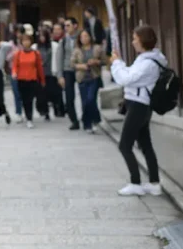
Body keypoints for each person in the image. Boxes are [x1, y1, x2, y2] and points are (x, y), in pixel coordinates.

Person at [111, 25, 166, 196]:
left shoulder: (148, 63)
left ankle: (135, 182)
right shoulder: (147, 59)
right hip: (140, 104)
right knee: (145, 144)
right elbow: (131, 76)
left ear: (143, 40)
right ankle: (154, 183)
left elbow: (125, 78)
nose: (133, 42)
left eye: (135, 38)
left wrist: (116, 63)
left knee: (125, 145)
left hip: (138, 105)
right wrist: (120, 64)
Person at [71, 29, 104, 133]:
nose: (84, 39)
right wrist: (82, 66)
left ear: (90, 37)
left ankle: (95, 120)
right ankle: (87, 124)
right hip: (82, 78)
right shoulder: (77, 50)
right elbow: (72, 64)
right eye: (82, 37)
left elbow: (104, 61)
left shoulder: (97, 48)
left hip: (94, 77)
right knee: (85, 102)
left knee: (91, 99)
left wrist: (95, 61)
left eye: (86, 36)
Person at [11, 32, 45, 128]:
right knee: (25, 99)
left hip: (32, 79)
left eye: (28, 40)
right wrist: (14, 73)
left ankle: (30, 118)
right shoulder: (18, 54)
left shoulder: (35, 53)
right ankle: (27, 116)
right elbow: (15, 66)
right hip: (21, 80)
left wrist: (42, 80)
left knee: (30, 99)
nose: (26, 42)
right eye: (24, 41)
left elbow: (39, 68)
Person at [58, 17, 80, 130]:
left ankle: (87, 118)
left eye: (68, 25)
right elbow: (59, 58)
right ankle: (74, 120)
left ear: (75, 26)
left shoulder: (82, 37)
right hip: (68, 70)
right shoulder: (64, 41)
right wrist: (60, 75)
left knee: (85, 96)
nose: (66, 28)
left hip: (81, 69)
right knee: (69, 97)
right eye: (65, 26)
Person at [35, 27, 58, 121]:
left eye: (44, 36)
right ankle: (44, 111)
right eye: (40, 36)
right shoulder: (35, 47)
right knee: (41, 94)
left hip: (49, 72)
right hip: (39, 74)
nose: (42, 38)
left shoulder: (52, 46)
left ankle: (53, 108)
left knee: (50, 92)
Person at [7, 32, 24, 124]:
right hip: (13, 71)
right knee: (16, 93)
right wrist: (14, 53)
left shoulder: (24, 43)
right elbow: (7, 57)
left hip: (24, 71)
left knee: (24, 93)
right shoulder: (10, 45)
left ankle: (27, 111)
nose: (19, 34)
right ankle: (19, 112)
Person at [50, 23, 66, 117]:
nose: (56, 31)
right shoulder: (51, 41)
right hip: (54, 67)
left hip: (64, 67)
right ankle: (58, 109)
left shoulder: (64, 40)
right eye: (55, 29)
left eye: (58, 29)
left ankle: (63, 108)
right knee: (56, 90)